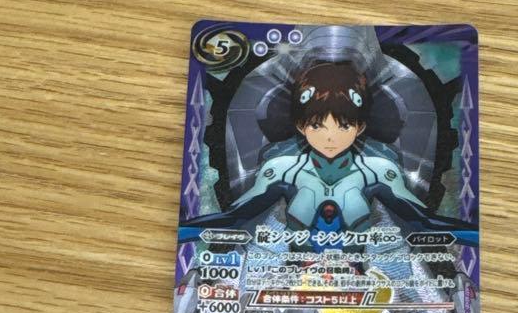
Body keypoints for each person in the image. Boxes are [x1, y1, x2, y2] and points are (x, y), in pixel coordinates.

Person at [177, 61, 477, 247]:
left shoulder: (377, 170)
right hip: (290, 282)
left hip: (365, 282)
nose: (330, 137)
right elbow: (237, 220)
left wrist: (472, 235)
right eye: (317, 125)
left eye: (344, 125)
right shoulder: (282, 169)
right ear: (301, 126)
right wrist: (186, 230)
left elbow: (421, 223)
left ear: (359, 127)